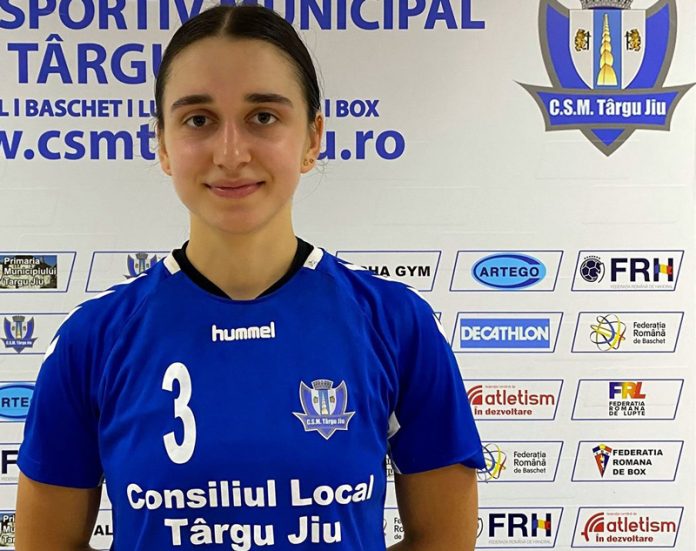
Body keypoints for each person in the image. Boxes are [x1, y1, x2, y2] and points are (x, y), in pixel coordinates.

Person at [15, 5, 484, 550]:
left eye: (263, 116)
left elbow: (445, 538)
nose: (231, 153)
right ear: (163, 144)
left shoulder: (395, 324)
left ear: (312, 138)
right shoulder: (94, 339)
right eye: (199, 120)